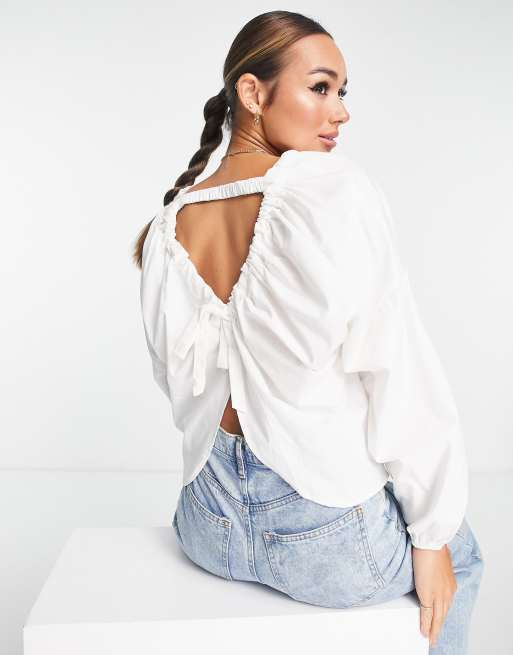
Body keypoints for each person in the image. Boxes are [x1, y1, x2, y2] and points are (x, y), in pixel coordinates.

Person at [132, 11, 484, 653]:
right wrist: (432, 537)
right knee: (463, 553)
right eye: (320, 87)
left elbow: (172, 378)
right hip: (326, 546)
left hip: (207, 529)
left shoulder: (167, 225)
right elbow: (396, 368)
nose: (340, 112)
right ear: (252, 92)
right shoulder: (330, 190)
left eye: (342, 92)